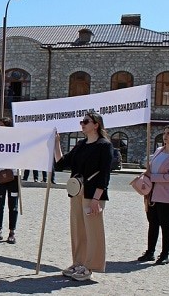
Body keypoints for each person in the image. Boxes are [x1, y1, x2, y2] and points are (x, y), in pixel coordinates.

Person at [54, 112, 112, 281]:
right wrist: (57, 143)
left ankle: (90, 266)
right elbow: (62, 163)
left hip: (93, 194)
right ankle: (78, 262)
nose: (82, 124)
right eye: (81, 121)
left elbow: (105, 174)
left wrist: (96, 199)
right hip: (77, 192)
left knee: (93, 231)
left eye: (86, 121)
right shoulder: (81, 144)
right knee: (78, 229)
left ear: (96, 125)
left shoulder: (104, 145)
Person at [138, 125, 169, 265]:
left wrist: (152, 177)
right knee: (152, 223)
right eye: (164, 133)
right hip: (152, 193)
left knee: (165, 224)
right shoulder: (159, 150)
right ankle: (150, 252)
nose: (165, 136)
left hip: (167, 195)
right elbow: (151, 169)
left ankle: (164, 254)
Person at [0, 117, 19, 245]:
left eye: (3, 126)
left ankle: (12, 232)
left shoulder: (16, 140)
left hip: (13, 177)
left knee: (13, 206)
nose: (0, 128)